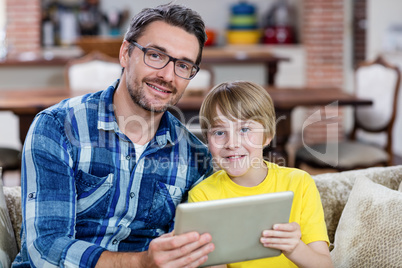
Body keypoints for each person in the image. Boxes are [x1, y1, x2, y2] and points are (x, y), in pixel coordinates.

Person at [13, 4, 216, 268]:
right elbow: (45, 248)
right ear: (125, 53)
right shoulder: (57, 127)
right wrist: (141, 263)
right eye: (155, 55)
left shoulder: (196, 157)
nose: (167, 75)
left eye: (183, 65)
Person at [189, 81, 333, 268]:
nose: (232, 143)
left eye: (244, 129)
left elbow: (324, 265)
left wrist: (294, 248)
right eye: (219, 132)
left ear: (267, 135)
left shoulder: (299, 183)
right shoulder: (202, 196)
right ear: (207, 140)